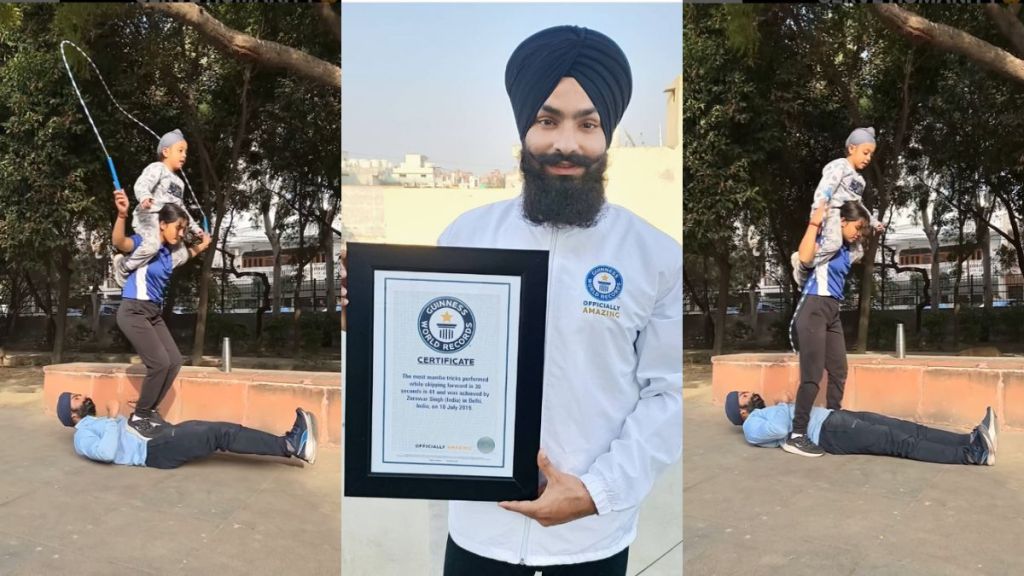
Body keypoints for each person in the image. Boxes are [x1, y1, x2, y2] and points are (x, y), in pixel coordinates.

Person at [434, 25, 682, 575]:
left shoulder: (654, 255)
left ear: (607, 133)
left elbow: (666, 396)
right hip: (480, 531)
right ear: (524, 127)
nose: (566, 144)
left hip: (592, 539)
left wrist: (598, 491)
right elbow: (432, 365)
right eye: (548, 121)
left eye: (587, 124)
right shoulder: (465, 238)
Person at [110, 188, 211, 437]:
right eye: (177, 227)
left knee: (174, 361)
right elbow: (120, 243)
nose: (180, 233)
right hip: (133, 310)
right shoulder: (146, 243)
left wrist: (203, 245)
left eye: (182, 229)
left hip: (152, 313)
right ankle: (139, 416)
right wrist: (122, 216)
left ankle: (150, 411)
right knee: (159, 364)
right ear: (162, 224)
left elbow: (188, 254)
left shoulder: (168, 254)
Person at [784, 200, 870, 457]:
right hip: (813, 307)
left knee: (839, 369)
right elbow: (806, 257)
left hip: (831, 311)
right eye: (857, 226)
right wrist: (815, 222)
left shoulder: (846, 249)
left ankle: (833, 419)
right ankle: (797, 434)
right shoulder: (826, 243)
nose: (859, 232)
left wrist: (868, 221)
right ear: (842, 221)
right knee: (812, 374)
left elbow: (859, 246)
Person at [723, 390, 997, 466]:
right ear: (741, 411)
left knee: (906, 428)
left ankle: (967, 439)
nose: (750, 393)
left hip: (834, 418)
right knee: (897, 441)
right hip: (830, 431)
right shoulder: (752, 427)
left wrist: (785, 405)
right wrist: (785, 405)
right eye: (744, 396)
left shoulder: (764, 413)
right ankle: (973, 454)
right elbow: (782, 426)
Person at [55, 392, 317, 468]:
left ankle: (289, 445)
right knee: (219, 434)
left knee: (218, 429)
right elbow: (106, 453)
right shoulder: (83, 436)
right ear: (73, 414)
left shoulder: (99, 423)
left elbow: (138, 430)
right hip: (155, 451)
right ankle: (290, 445)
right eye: (77, 398)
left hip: (165, 435)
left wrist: (145, 413)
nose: (85, 396)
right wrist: (114, 418)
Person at [112, 129, 204, 288]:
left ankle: (148, 274)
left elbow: (181, 208)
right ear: (166, 151)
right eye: (180, 150)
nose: (184, 155)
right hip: (149, 217)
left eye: (186, 152)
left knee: (180, 255)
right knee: (152, 246)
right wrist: (145, 196)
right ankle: (123, 267)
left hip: (169, 223)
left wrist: (195, 229)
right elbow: (142, 184)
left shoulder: (179, 183)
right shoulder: (157, 168)